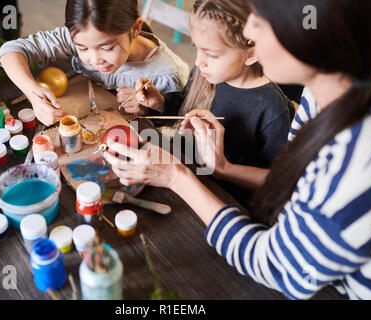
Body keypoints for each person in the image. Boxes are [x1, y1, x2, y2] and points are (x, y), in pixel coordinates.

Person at [104, 0, 371, 299]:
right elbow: (295, 183)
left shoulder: (363, 158)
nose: (249, 29)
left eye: (261, 21)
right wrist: (223, 167)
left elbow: (275, 266)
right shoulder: (323, 93)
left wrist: (177, 177)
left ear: (310, 32)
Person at [119, 0, 294, 207]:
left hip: (223, 198)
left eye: (211, 54)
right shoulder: (207, 74)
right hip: (186, 170)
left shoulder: (272, 109)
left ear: (252, 54)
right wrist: (161, 103)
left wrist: (225, 168)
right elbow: (185, 110)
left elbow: (279, 182)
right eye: (197, 48)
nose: (197, 61)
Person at [0, 0, 189, 126]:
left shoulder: (169, 75)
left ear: (136, 29)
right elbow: (10, 50)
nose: (95, 60)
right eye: (82, 48)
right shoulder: (85, 33)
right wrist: (32, 92)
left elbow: (177, 126)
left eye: (107, 48)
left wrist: (150, 109)